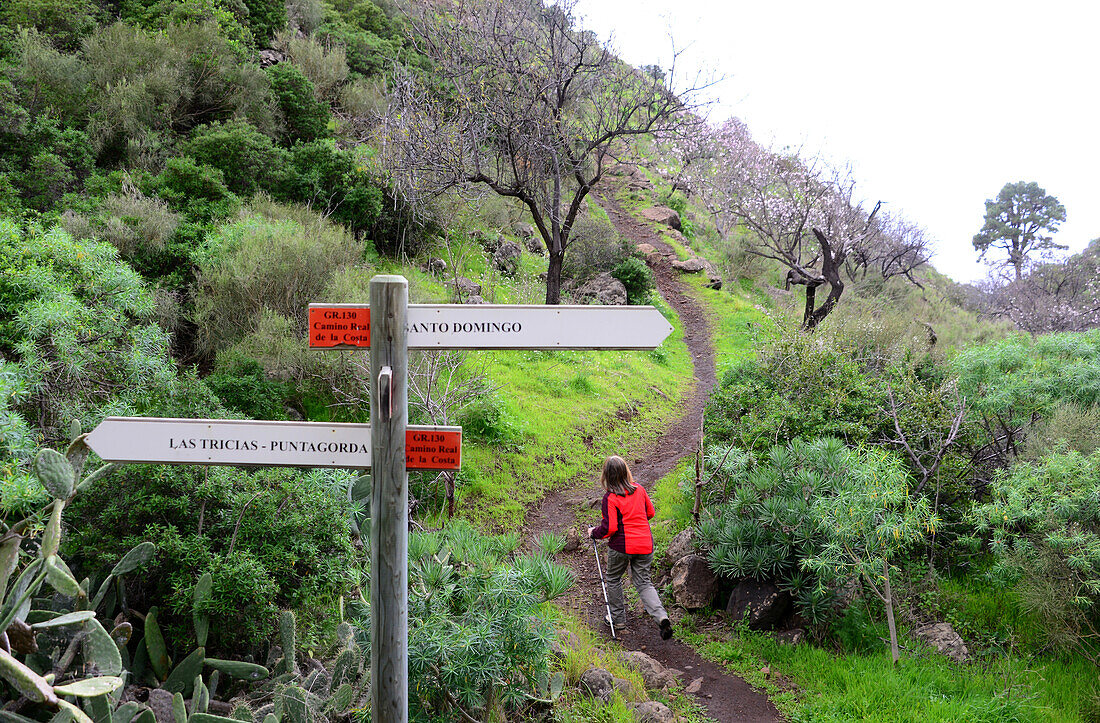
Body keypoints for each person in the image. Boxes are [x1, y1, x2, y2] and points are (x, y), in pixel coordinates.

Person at [588, 455, 673, 640]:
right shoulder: (640, 490)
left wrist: (594, 532)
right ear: (627, 471)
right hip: (644, 544)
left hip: (621, 546)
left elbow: (610, 528)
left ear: (606, 476)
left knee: (613, 578)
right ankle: (661, 617)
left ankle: (618, 620)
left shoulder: (610, 498)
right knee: (644, 583)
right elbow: (650, 512)